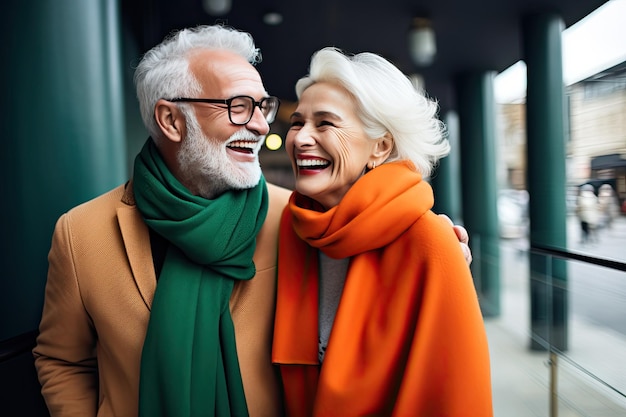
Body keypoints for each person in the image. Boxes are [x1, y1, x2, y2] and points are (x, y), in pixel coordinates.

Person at [33, 25, 471, 417]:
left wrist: (437, 258)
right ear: (170, 119)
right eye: (239, 106)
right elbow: (62, 359)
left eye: (262, 106)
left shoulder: (297, 218)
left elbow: (370, 248)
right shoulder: (80, 233)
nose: (262, 126)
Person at [272, 47, 493, 416]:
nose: (300, 139)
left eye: (324, 123)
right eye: (297, 122)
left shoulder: (430, 241)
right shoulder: (290, 226)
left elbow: (456, 394)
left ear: (381, 146)